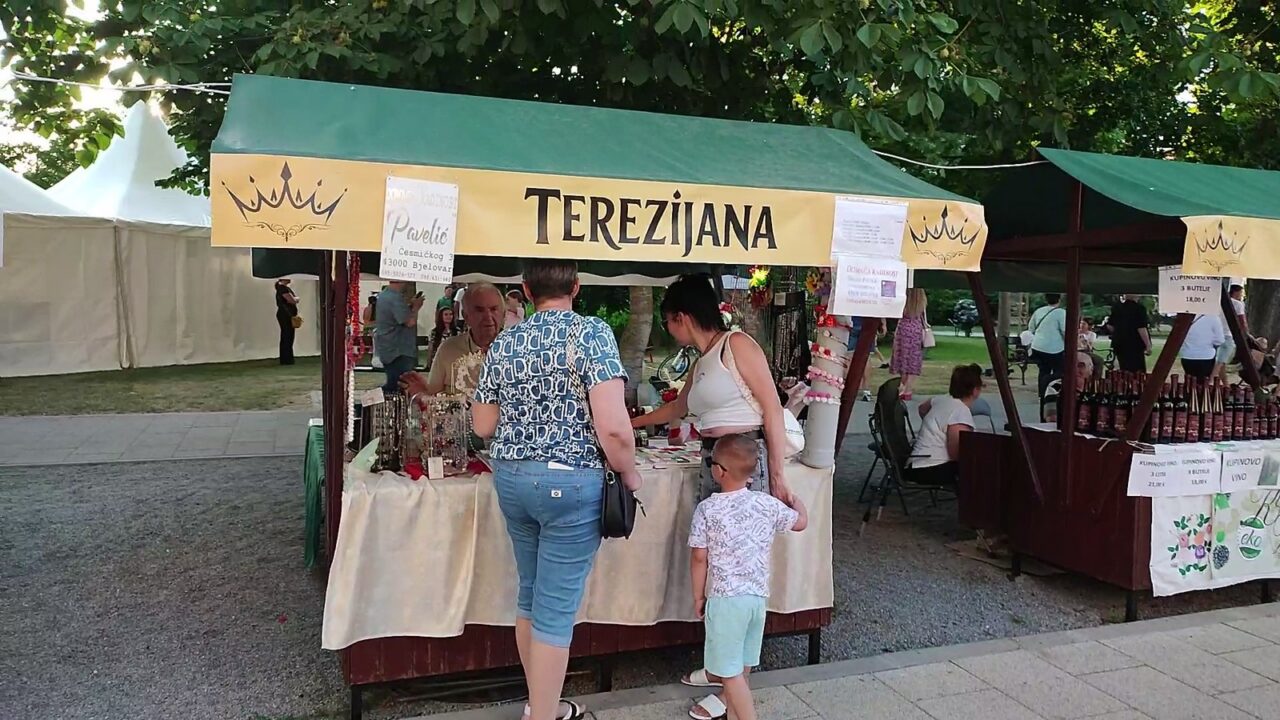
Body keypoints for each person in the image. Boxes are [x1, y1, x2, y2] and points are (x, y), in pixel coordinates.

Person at [471, 259, 640, 720]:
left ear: (526, 290)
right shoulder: (591, 333)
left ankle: (539, 706)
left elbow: (483, 424)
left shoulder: (506, 341)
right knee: (555, 611)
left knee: (530, 595)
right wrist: (629, 474)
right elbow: (615, 429)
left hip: (513, 479)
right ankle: (543, 714)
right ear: (577, 286)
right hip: (571, 482)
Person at [630, 274, 793, 505]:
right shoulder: (700, 363)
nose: (668, 330)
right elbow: (677, 408)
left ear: (681, 318)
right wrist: (631, 423)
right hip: (712, 460)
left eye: (666, 322)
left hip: (743, 461)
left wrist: (777, 474)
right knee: (710, 525)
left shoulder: (736, 344)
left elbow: (773, 408)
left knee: (742, 527)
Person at [686, 434, 807, 720]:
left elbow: (699, 557)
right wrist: (795, 500)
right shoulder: (765, 503)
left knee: (730, 676)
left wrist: (698, 596)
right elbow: (801, 522)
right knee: (742, 666)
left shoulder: (708, 509)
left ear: (719, 471)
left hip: (726, 600)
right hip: (756, 599)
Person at [402, 283, 503, 397]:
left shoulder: (516, 351)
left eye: (494, 309)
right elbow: (432, 397)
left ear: (503, 314)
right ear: (466, 316)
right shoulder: (448, 348)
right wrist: (424, 394)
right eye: (480, 310)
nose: (488, 317)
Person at [908, 364, 983, 487]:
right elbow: (956, 452)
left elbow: (922, 409)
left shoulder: (941, 399)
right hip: (931, 467)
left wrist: (933, 428)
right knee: (982, 469)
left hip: (918, 463)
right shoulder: (960, 411)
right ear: (975, 390)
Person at [374, 281, 424, 394]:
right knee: (400, 387)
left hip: (388, 348)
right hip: (399, 351)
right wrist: (416, 307)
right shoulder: (395, 298)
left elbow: (398, 316)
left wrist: (409, 306)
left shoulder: (383, 295)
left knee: (394, 384)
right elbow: (409, 322)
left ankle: (373, 400)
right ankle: (370, 400)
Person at [1028, 293, 1067, 399]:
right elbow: (1065, 331)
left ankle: (1042, 392)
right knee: (1059, 370)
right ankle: (1053, 391)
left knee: (1043, 370)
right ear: (1059, 299)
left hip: (1038, 346)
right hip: (1054, 348)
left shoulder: (1039, 311)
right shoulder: (1061, 313)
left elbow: (1031, 328)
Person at [891, 289, 928, 400]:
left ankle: (903, 386)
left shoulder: (903, 299)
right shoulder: (921, 300)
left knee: (903, 357)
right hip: (916, 327)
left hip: (904, 327)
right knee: (913, 359)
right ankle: (908, 389)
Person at [1104, 294, 1152, 373]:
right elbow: (1141, 328)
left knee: (1124, 368)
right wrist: (1148, 345)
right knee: (1137, 370)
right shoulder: (1139, 309)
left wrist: (1119, 331)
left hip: (1119, 343)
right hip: (1134, 344)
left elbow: (1110, 326)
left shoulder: (1117, 307)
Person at [1043, 353, 1093, 424]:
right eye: (1072, 365)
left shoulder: (1097, 389)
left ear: (1091, 370)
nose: (1075, 370)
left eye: (1081, 366)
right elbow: (1052, 418)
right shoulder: (1056, 386)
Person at [1217, 284, 1247, 382]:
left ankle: (1225, 383)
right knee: (1221, 362)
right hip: (1229, 334)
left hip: (1216, 333)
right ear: (1236, 292)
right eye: (1241, 293)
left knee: (1220, 361)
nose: (1241, 295)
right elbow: (1242, 321)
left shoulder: (1219, 302)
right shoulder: (1238, 304)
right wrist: (1244, 333)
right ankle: (1212, 379)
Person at [1180, 313, 1224, 380]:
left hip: (1187, 354)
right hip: (1206, 355)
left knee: (1190, 380)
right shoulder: (1213, 317)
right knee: (1204, 382)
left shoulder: (1184, 316)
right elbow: (1220, 340)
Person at [274, 278, 299, 365]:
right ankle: (286, 359)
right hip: (285, 315)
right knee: (287, 335)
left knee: (288, 335)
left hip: (286, 314)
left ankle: (287, 358)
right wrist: (296, 299)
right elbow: (291, 300)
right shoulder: (282, 288)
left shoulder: (284, 288)